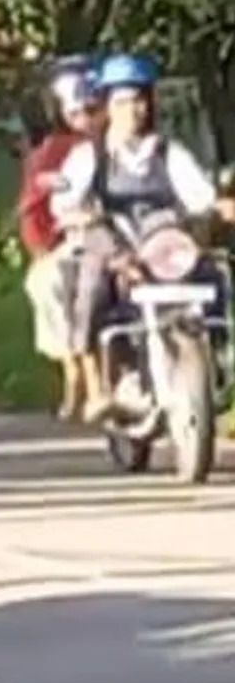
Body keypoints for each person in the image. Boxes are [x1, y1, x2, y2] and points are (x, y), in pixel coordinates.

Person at [50, 52, 235, 423]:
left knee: (215, 276)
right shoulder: (89, 157)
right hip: (112, 245)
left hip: (164, 248)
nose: (133, 110)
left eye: (139, 100)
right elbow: (63, 203)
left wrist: (222, 207)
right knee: (92, 285)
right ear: (106, 106)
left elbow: (200, 197)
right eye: (122, 102)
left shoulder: (170, 153)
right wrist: (78, 215)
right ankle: (100, 385)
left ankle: (216, 358)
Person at [16, 56, 104, 420]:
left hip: (136, 235)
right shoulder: (53, 153)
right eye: (76, 111)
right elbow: (37, 209)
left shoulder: (137, 143)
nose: (86, 118)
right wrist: (46, 242)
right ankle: (77, 374)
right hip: (74, 239)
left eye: (92, 109)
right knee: (55, 281)